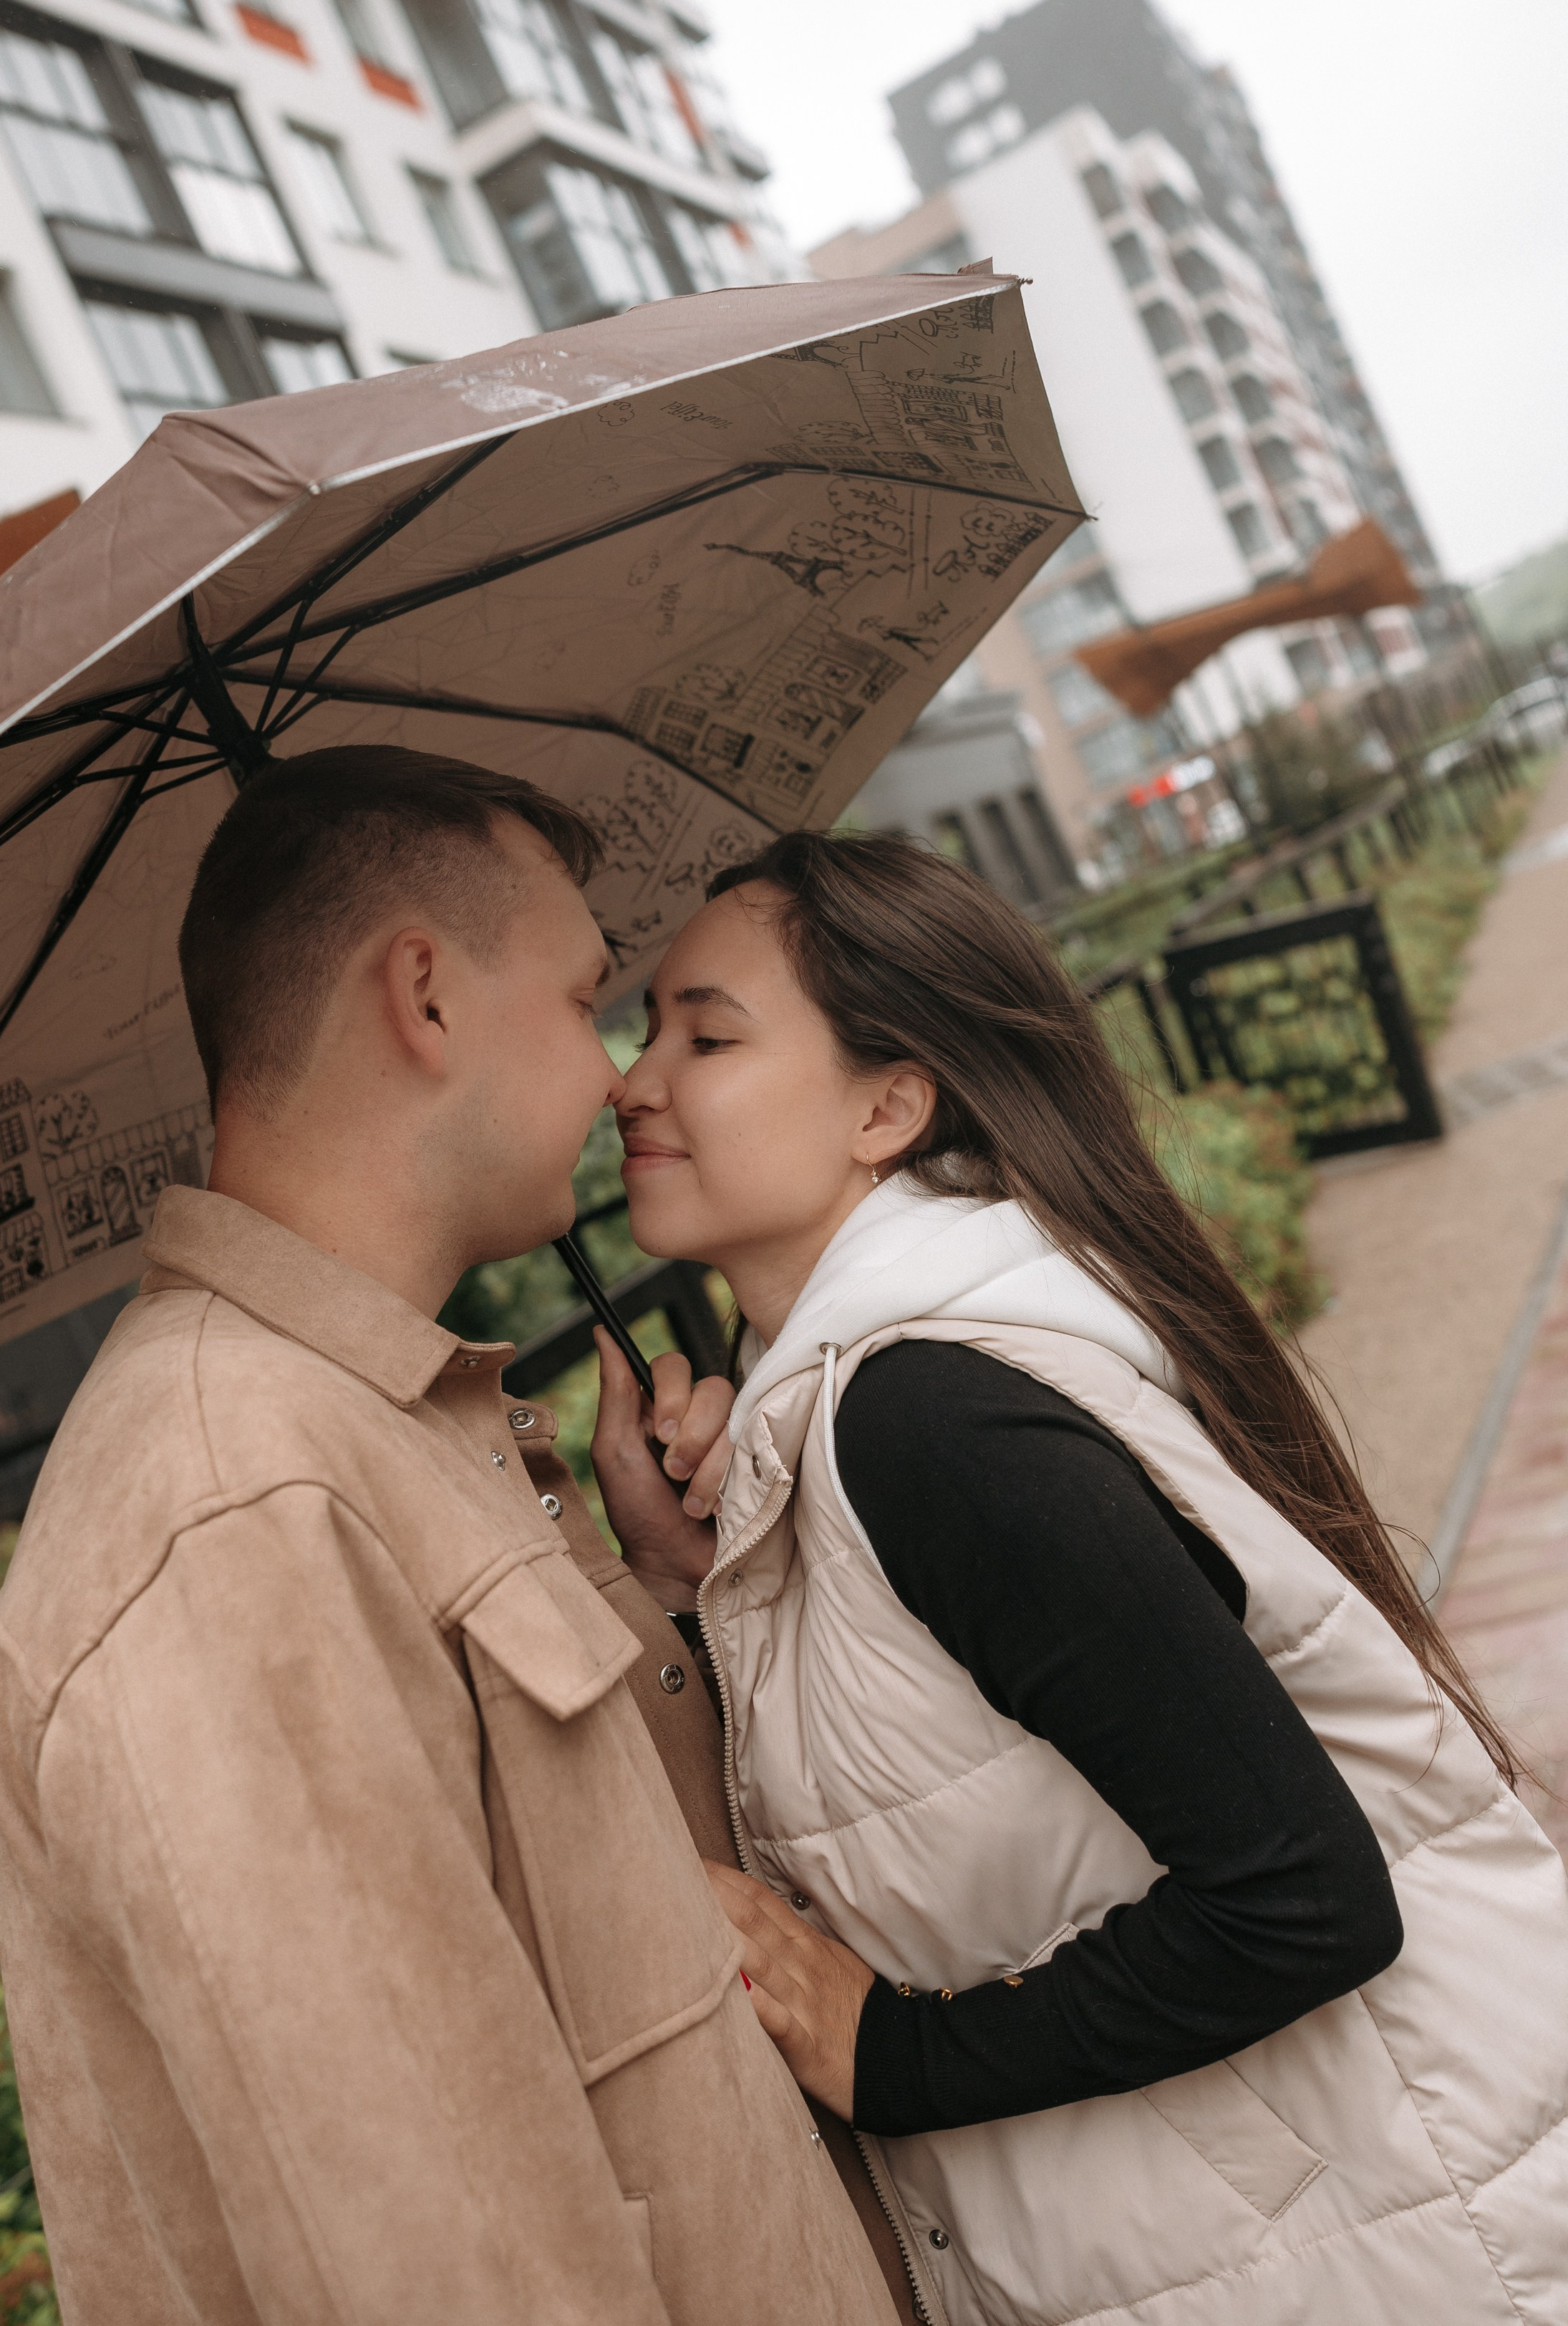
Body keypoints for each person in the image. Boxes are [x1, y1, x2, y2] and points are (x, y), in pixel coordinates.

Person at [591, 827, 1568, 2326]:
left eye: (706, 1033)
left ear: (889, 1104)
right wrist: (702, 1584)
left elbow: (1302, 1901)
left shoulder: (933, 1422)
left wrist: (893, 2056)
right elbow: (925, 1819)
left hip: (1408, 2258)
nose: (631, 1079)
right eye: (646, 1025)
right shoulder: (863, 1417)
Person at [0, 749, 903, 2326]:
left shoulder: (363, 1423)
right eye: (581, 996)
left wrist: (678, 1594)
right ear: (423, 993)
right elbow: (427, 2252)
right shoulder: (231, 1505)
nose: (618, 1070)